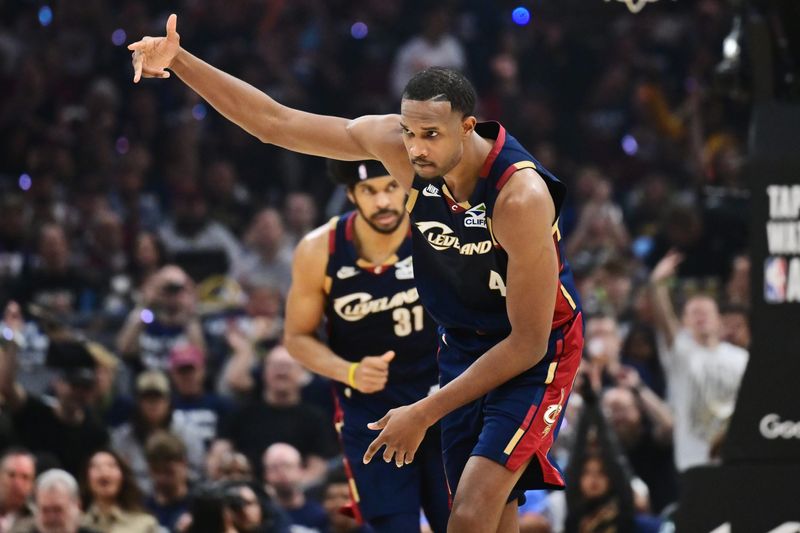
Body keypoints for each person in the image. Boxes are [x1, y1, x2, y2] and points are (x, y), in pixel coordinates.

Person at [129, 19, 584, 532]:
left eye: (431, 135)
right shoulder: (400, 149)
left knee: (469, 516)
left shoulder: (519, 197)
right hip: (462, 344)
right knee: (489, 520)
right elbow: (275, 123)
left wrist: (424, 410)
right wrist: (181, 61)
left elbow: (526, 342)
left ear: (467, 126)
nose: (416, 149)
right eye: (410, 134)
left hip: (537, 347)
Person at [283, 159, 449, 532]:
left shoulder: (436, 232)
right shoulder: (317, 249)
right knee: (391, 526)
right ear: (350, 194)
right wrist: (350, 372)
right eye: (369, 191)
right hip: (370, 409)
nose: (383, 201)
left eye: (392, 187)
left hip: (443, 398)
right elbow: (296, 338)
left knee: (461, 520)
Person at [649, 251, 748, 472]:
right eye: (694, 313)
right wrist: (658, 285)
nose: (700, 316)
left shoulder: (741, 358)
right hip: (693, 461)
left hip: (734, 459)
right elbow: (665, 319)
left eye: (705, 312)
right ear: (685, 322)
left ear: (720, 321)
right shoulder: (682, 353)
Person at [79, 450, 158, 533]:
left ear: (123, 476)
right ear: (86, 478)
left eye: (111, 466)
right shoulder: (76, 525)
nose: (104, 473)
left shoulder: (145, 524)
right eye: (96, 467)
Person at [0, 449, 36, 533]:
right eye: (11, 475)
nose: (17, 484)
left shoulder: (38, 522)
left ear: (32, 484)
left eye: (25, 477)